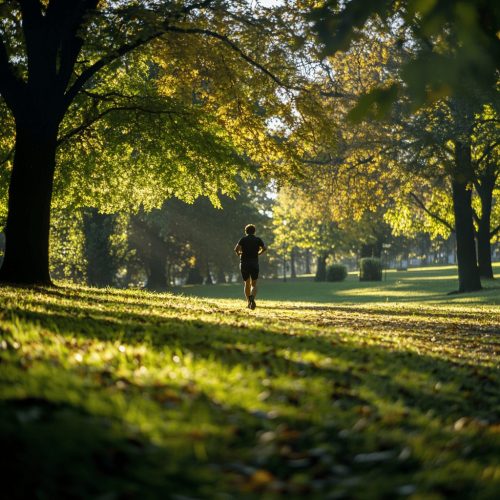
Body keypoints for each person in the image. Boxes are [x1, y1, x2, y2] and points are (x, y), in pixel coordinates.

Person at [234, 224, 266, 309]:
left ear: (246, 231)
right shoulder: (258, 239)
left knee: (246, 283)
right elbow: (264, 248)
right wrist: (259, 253)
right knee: (254, 284)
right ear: (254, 231)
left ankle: (248, 302)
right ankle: (252, 298)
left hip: (244, 263)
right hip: (254, 264)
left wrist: (239, 253)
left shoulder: (243, 239)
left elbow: (236, 249)